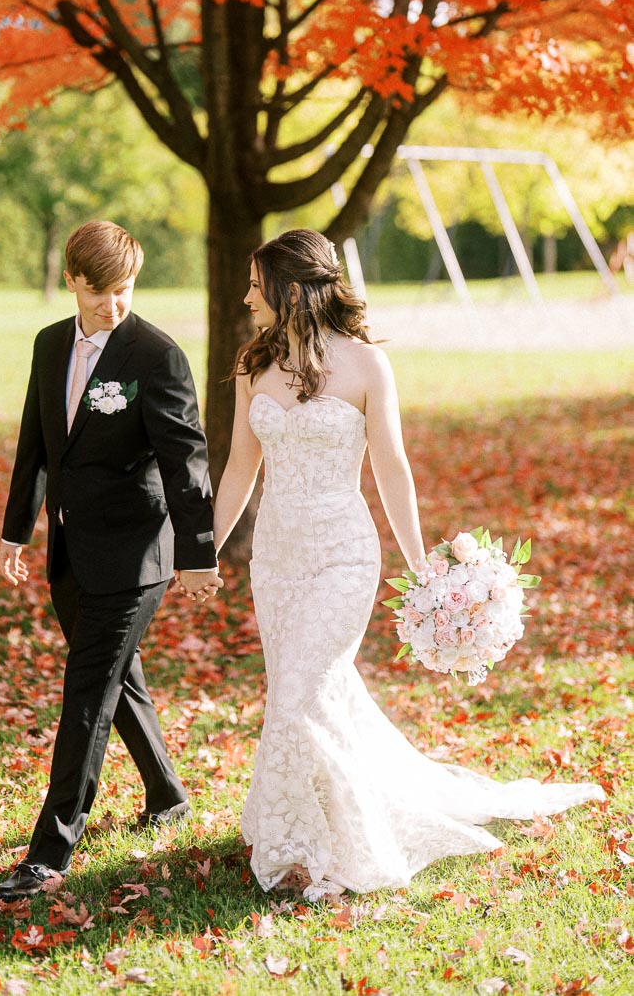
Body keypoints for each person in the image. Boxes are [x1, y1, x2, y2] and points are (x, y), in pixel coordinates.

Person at [213, 228, 605, 901]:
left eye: (256, 284)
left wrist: (422, 564)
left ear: (290, 287)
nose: (247, 296)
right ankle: (310, 821)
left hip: (343, 554)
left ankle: (308, 850)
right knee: (306, 691)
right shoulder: (255, 367)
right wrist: (203, 553)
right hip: (277, 558)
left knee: (301, 689)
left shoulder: (367, 366)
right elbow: (240, 469)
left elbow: (392, 469)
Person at [0, 221, 223, 902]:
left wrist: (198, 551)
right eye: (102, 293)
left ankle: (48, 851)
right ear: (73, 281)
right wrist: (16, 531)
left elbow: (187, 460)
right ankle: (168, 794)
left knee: (87, 692)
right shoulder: (48, 344)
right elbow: (37, 442)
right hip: (69, 550)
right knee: (117, 681)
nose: (114, 305)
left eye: (125, 290)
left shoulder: (156, 354)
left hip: (134, 555)